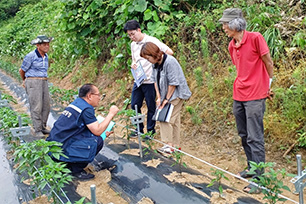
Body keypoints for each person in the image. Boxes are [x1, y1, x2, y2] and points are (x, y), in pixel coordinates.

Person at [219, 8, 274, 193]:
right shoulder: (231, 45)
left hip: (256, 95)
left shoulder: (256, 38)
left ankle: (260, 180)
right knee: (243, 134)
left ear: (236, 24)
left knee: (255, 136)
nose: (224, 27)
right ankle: (252, 168)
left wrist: (269, 85)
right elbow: (240, 67)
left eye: (226, 24)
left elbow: (268, 61)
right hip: (239, 94)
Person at [46, 84, 119, 180]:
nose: (100, 98)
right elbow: (97, 131)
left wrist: (103, 132)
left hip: (53, 148)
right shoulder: (86, 109)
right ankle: (76, 170)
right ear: (89, 96)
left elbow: (82, 129)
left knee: (96, 137)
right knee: (98, 141)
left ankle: (66, 163)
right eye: (98, 95)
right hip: (62, 149)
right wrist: (111, 114)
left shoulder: (77, 103)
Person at [123, 20, 174, 136]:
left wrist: (158, 66)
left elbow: (169, 52)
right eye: (129, 35)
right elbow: (134, 59)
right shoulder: (133, 45)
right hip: (139, 79)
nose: (132, 37)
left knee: (151, 105)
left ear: (139, 30)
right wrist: (133, 64)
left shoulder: (152, 41)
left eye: (133, 34)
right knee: (134, 105)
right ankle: (138, 130)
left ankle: (150, 131)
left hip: (151, 80)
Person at [140, 42, 191, 154]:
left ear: (153, 54)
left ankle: (168, 146)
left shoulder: (170, 62)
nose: (147, 61)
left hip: (177, 94)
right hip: (165, 95)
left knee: (165, 118)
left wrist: (165, 100)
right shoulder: (155, 64)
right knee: (175, 120)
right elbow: (154, 80)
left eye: (148, 58)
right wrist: (159, 97)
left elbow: (173, 83)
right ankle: (176, 147)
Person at [19, 35, 53, 137]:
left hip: (44, 81)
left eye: (48, 44)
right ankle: (37, 129)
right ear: (38, 45)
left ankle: (43, 127)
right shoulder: (31, 56)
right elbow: (22, 70)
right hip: (33, 82)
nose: (47, 46)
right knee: (36, 106)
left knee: (46, 105)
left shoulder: (45, 57)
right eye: (45, 45)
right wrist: (25, 80)